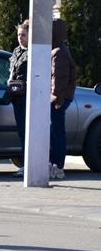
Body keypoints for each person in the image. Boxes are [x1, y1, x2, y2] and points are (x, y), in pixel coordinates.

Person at [50, 18, 77, 180]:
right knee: (55, 132)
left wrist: (56, 99)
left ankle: (58, 166)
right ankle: (55, 164)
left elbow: (59, 78)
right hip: (60, 97)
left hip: (58, 99)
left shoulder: (58, 52)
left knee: (57, 133)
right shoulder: (60, 49)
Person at [6, 20, 29, 176]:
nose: (20, 38)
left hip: (26, 94)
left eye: (23, 35)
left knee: (26, 131)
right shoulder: (16, 51)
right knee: (21, 130)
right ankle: (25, 163)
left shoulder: (33, 52)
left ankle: (29, 164)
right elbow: (11, 70)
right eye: (19, 35)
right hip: (15, 94)